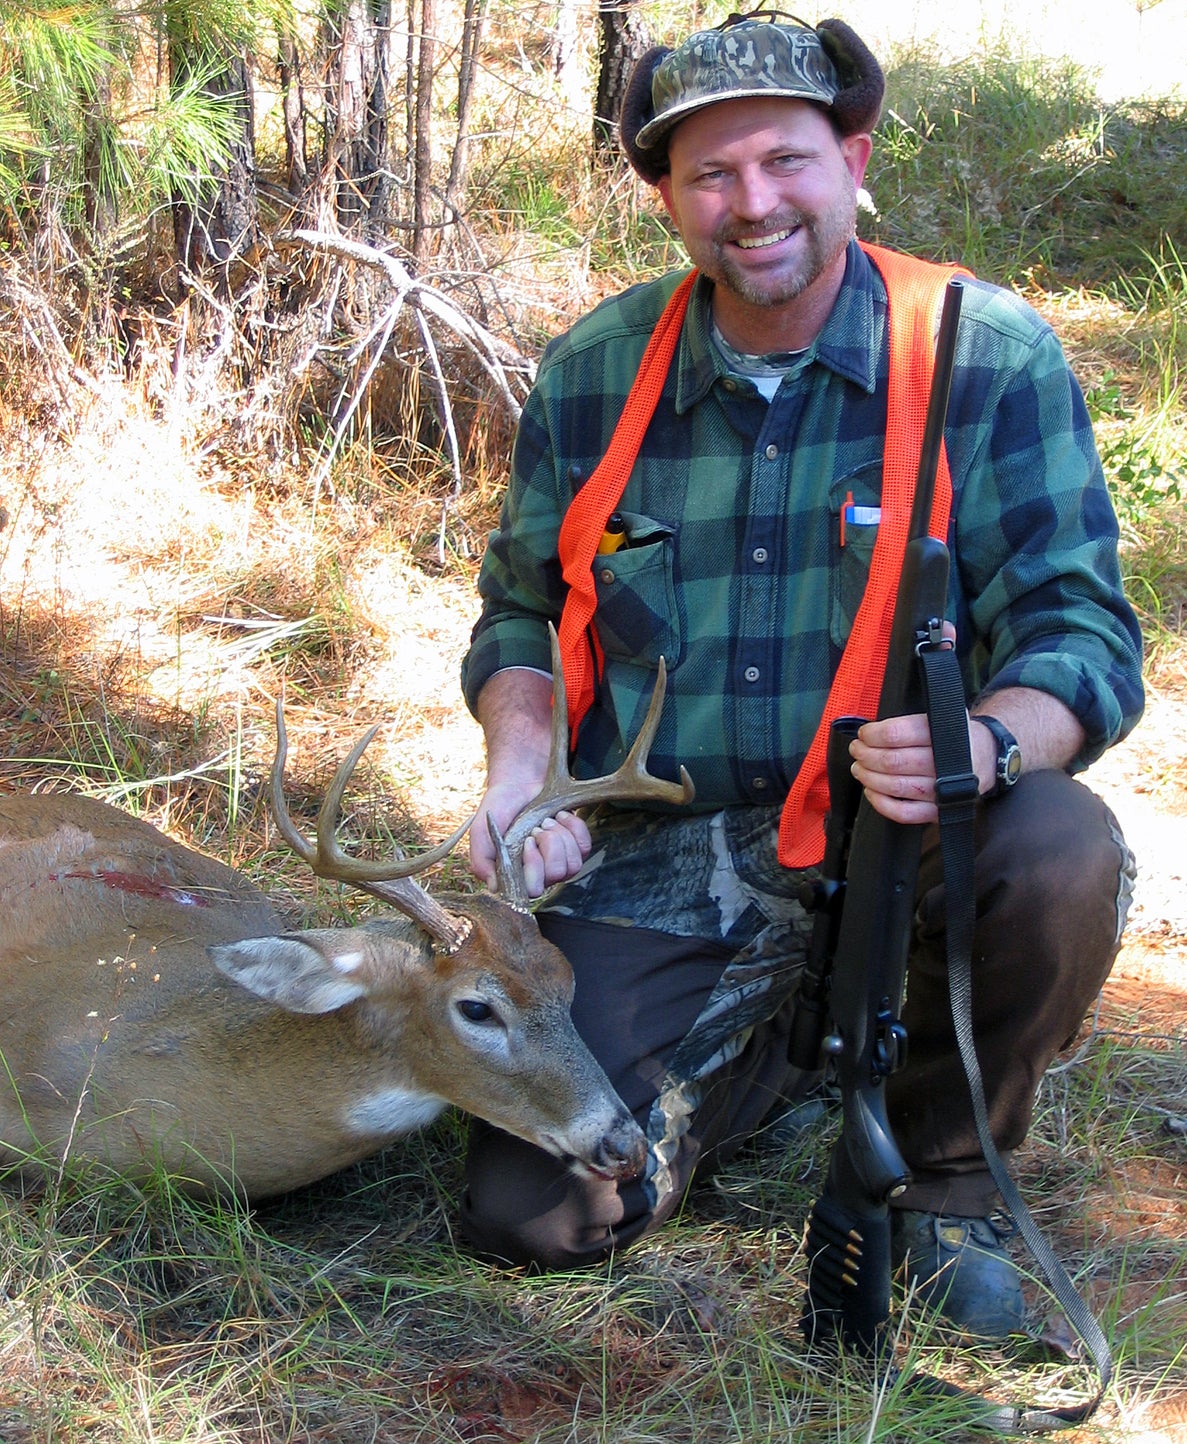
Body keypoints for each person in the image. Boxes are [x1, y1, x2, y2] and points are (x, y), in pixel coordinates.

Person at [458, 12, 1143, 1338]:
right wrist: (522, 777)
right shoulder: (599, 370)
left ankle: (944, 1177)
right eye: (710, 175)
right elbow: (523, 613)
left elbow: (1082, 629)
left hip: (914, 824)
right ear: (666, 197)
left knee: (1057, 848)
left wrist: (988, 743)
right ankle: (776, 1037)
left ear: (853, 159)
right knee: (534, 1216)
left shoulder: (984, 353)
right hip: (684, 839)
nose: (752, 203)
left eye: (786, 160)